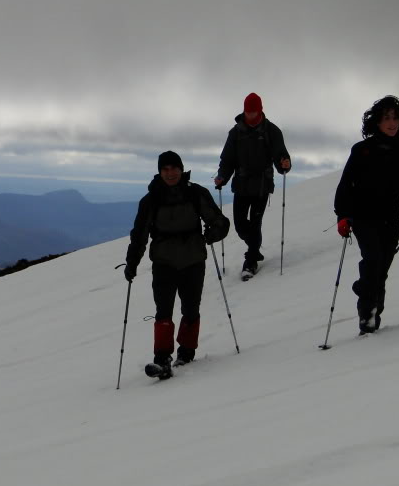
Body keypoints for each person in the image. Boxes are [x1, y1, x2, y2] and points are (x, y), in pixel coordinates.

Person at [124, 151, 230, 379]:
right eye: (165, 169)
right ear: (159, 172)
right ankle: (162, 359)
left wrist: (214, 233)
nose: (170, 173)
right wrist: (132, 262)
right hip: (164, 262)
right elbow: (139, 235)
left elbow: (219, 221)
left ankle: (187, 351)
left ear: (181, 170)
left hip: (192, 260)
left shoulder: (195, 193)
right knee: (163, 311)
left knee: (190, 309)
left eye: (174, 168)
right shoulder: (151, 200)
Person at [334, 95, 399, 334]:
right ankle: (368, 316)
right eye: (387, 118)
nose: (392, 122)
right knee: (374, 261)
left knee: (380, 270)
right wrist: (343, 216)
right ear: (376, 122)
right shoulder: (362, 150)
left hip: (391, 218)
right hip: (364, 217)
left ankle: (372, 310)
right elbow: (346, 186)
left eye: (395, 118)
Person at [214, 92, 291, 280]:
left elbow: (280, 154)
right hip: (241, 185)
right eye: (248, 112)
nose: (250, 116)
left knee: (255, 223)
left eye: (254, 112)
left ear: (260, 110)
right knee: (240, 225)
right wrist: (222, 177)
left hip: (262, 186)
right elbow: (228, 159)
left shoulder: (271, 131)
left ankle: (250, 262)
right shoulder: (236, 132)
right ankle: (255, 248)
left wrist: (284, 163)